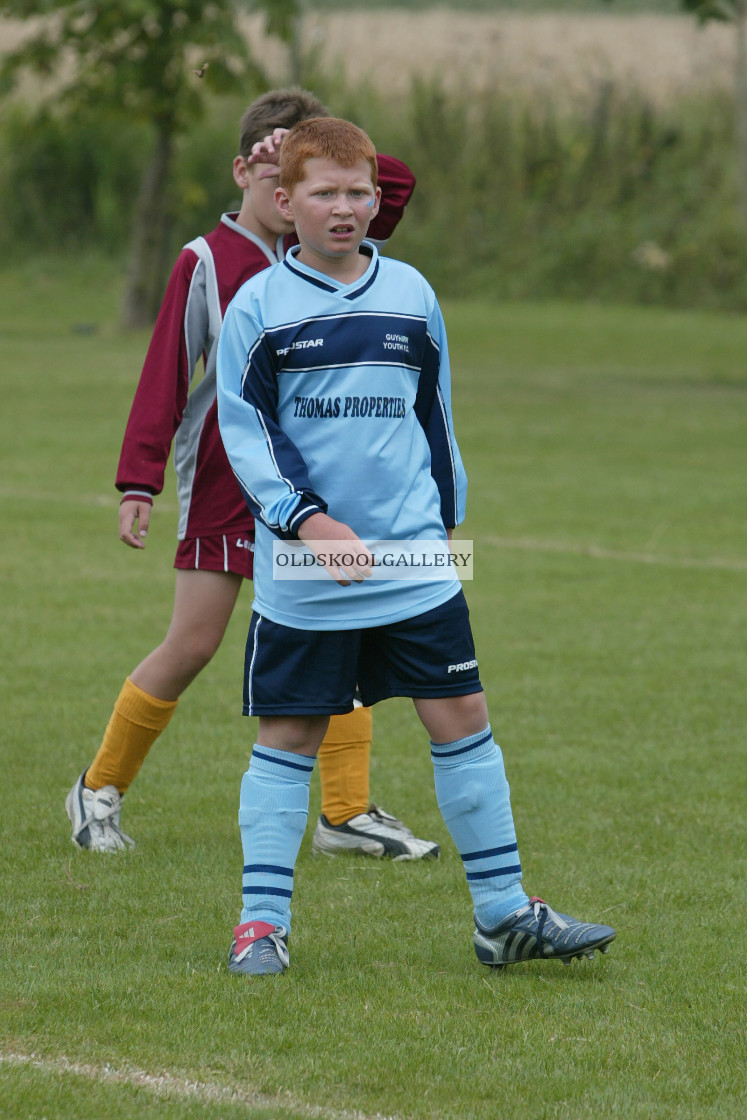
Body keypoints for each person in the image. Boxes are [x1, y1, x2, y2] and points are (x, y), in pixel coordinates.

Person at [215, 116, 617, 976]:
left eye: (359, 193)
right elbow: (245, 435)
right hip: (304, 568)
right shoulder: (258, 306)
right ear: (284, 204)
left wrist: (446, 510)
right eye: (324, 193)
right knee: (289, 734)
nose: (345, 207)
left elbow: (433, 413)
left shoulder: (410, 293)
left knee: (462, 718)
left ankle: (505, 915)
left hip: (414, 560)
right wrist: (308, 522)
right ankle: (260, 925)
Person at [65, 89, 439, 863]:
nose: (300, 185)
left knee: (347, 633)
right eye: (273, 156)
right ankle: (98, 787)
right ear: (244, 170)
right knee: (194, 643)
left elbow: (389, 185)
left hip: (322, 498)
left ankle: (345, 812)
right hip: (229, 488)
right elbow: (165, 372)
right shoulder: (207, 260)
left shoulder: (335, 247)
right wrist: (138, 480)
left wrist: (314, 148)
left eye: (308, 163)